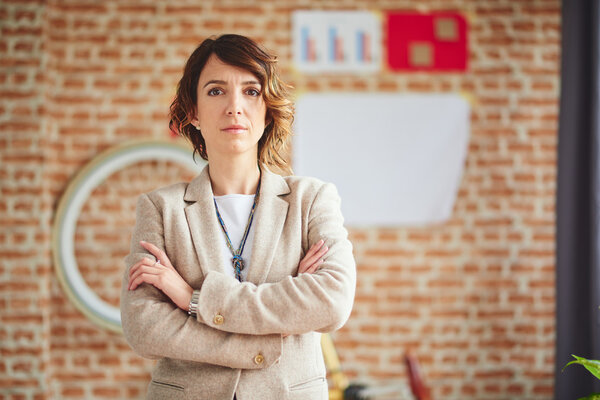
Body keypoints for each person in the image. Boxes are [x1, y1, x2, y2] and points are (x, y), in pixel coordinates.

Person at [120, 34, 356, 400]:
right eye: (216, 91)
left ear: (267, 108)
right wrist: (278, 320)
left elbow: (332, 302)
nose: (234, 106)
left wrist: (193, 300)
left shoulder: (312, 200)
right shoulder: (160, 208)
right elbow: (145, 328)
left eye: (250, 91)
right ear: (193, 112)